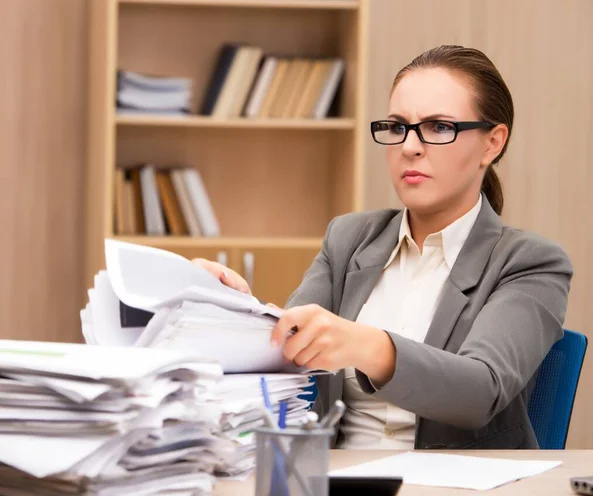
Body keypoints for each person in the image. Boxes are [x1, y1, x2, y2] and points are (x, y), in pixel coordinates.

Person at [195, 45, 573, 450]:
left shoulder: (531, 262)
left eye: (439, 127)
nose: (409, 146)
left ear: (491, 143)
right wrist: (237, 310)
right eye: (397, 127)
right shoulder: (349, 237)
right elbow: (292, 353)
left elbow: (482, 390)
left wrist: (369, 345)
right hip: (338, 476)